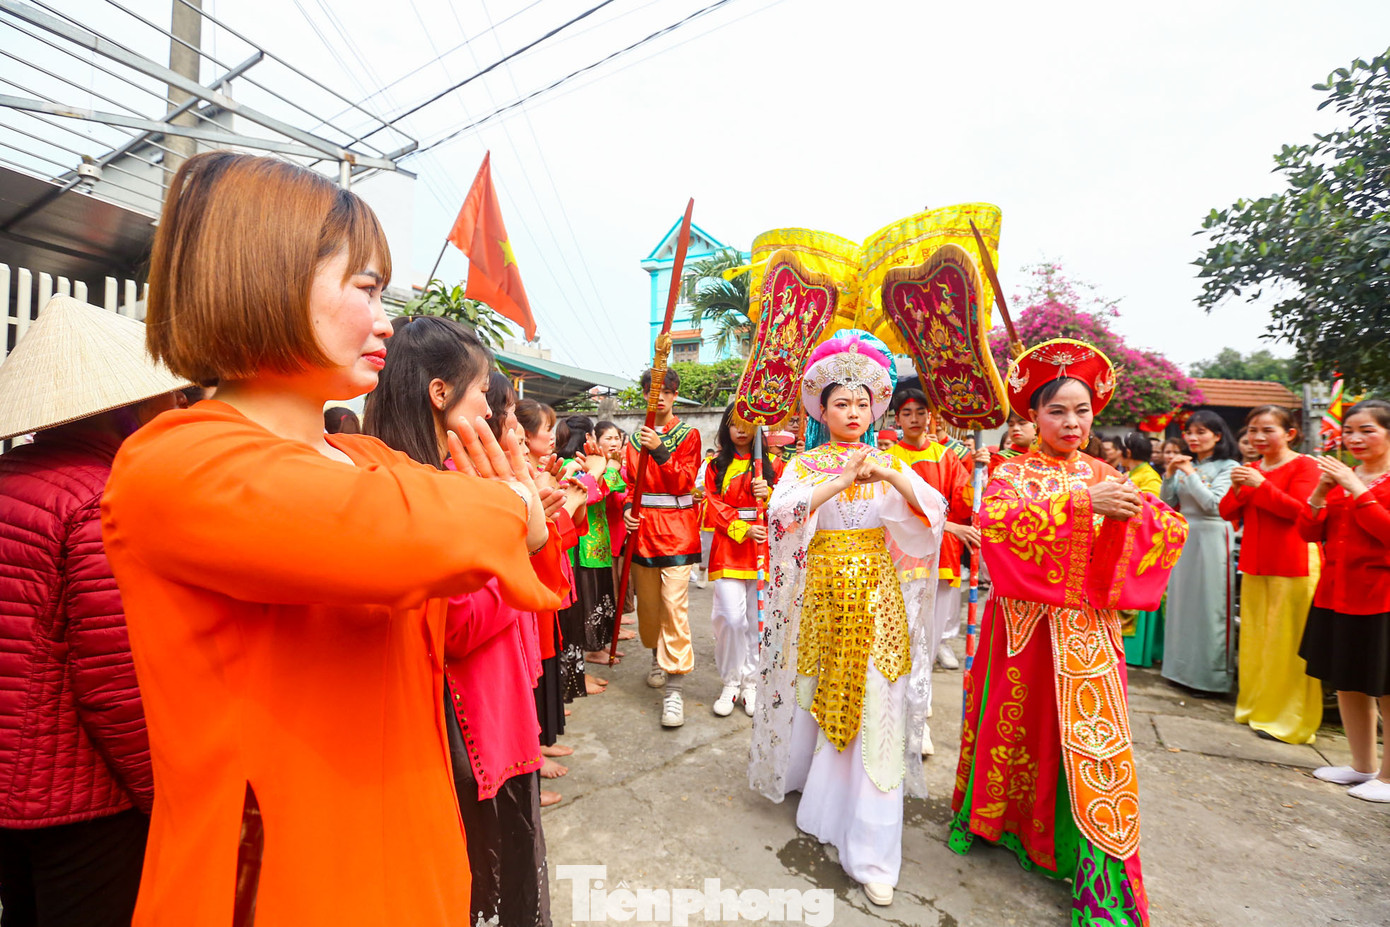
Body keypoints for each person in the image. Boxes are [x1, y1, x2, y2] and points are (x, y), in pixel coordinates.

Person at [100, 151, 560, 927]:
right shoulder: (173, 463)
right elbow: (395, 530)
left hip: (415, 870)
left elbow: (455, 591)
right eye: (367, 288)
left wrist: (514, 519)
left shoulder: (367, 457)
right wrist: (509, 512)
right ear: (267, 275)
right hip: (277, 889)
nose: (386, 320)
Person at [949, 339, 1187, 927]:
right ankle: (1000, 822)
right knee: (1017, 728)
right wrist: (1083, 503)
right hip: (1022, 635)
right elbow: (997, 526)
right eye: (1057, 410)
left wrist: (1130, 509)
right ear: (1032, 415)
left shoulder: (1106, 470)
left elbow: (1153, 528)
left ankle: (1092, 862)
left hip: (1088, 633)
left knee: (1091, 749)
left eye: (1081, 410)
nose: (1072, 422)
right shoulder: (1011, 469)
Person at [363, 316, 569, 927]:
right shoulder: (417, 491)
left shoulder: (461, 482)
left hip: (496, 716)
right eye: (483, 392)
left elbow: (538, 593)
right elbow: (454, 626)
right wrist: (521, 546)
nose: (493, 405)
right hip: (466, 732)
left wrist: (530, 528)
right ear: (439, 394)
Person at [0, 296, 186, 927]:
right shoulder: (105, 500)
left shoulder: (9, 476)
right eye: (167, 398)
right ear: (127, 407)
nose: (176, 409)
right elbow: (114, 682)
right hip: (82, 797)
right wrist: (159, 793)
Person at [749, 331, 946, 908]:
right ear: (823, 410)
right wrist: (838, 481)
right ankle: (819, 798)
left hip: (877, 595)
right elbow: (782, 513)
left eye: (862, 403)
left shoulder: (888, 461)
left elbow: (931, 513)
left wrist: (888, 477)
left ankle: (874, 847)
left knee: (878, 701)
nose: (853, 412)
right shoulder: (805, 463)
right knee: (823, 693)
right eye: (842, 403)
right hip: (823, 597)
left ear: (874, 408)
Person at [1298, 400, 1390, 802]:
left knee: (1386, 687)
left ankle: (1388, 779)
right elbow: (1307, 532)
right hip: (1337, 593)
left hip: (1381, 596)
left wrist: (1355, 490)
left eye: (1367, 430)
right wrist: (1321, 491)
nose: (1354, 439)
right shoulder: (1342, 477)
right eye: (1349, 431)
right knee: (1349, 682)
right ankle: (1362, 765)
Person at [1218, 405, 1323, 744]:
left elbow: (1301, 512)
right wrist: (1239, 488)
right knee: (1256, 641)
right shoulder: (1251, 468)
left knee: (1288, 644)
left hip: (1294, 561)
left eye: (1268, 430)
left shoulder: (1305, 465)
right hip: (1256, 561)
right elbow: (1226, 511)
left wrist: (1260, 484)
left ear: (1290, 434)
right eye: (1252, 431)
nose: (1258, 437)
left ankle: (1289, 720)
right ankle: (1255, 708)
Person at [623, 367, 703, 728]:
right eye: (653, 393)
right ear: (645, 395)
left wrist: (660, 451)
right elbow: (628, 485)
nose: (660, 399)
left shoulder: (689, 435)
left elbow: (685, 482)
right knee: (650, 609)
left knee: (674, 607)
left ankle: (675, 688)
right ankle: (657, 655)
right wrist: (627, 509)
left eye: (666, 393)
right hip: (643, 533)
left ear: (674, 396)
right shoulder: (632, 439)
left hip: (678, 532)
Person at [887, 389, 974, 680]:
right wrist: (946, 524)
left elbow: (963, 503)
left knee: (933, 630)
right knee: (907, 627)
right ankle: (904, 689)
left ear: (930, 417)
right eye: (907, 413)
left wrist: (979, 475)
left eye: (920, 412)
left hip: (943, 551)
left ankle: (921, 695)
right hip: (902, 554)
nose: (915, 419)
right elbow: (895, 511)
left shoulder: (947, 457)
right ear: (897, 418)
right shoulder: (889, 460)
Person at [703, 404, 782, 717]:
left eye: (746, 424)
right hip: (730, 546)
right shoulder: (715, 465)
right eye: (733, 424)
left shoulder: (774, 463)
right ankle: (730, 681)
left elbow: (791, 505)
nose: (740, 430)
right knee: (730, 619)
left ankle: (751, 682)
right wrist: (742, 529)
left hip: (763, 548)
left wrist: (771, 492)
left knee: (755, 620)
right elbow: (712, 505)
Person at [1160, 410, 1240, 694]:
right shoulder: (1185, 465)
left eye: (1201, 432)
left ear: (1218, 436)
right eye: (1189, 433)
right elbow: (1167, 504)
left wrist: (1189, 472)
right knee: (1182, 605)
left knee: (1210, 607)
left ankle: (1209, 678)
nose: (1193, 438)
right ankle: (1179, 670)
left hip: (1213, 535)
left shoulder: (1228, 467)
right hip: (1187, 536)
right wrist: (1169, 474)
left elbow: (1214, 505)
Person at [555, 415, 621, 695]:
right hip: (579, 548)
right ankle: (578, 671)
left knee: (593, 604)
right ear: (585, 439)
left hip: (594, 542)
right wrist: (603, 470)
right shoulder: (571, 465)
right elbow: (588, 495)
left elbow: (614, 488)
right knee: (581, 611)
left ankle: (584, 666)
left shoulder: (584, 464)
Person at [1118, 431, 1168, 667]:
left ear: (1127, 452)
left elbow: (1153, 511)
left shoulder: (1149, 477)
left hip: (1140, 543)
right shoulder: (1133, 474)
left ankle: (1138, 652)